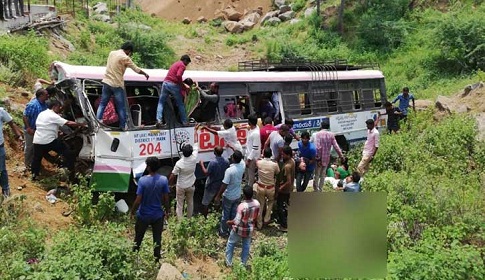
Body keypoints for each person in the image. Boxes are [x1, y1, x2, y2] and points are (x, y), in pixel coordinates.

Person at [97, 41, 149, 131]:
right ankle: (123, 125)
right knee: (121, 106)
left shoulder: (112, 53)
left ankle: (98, 121)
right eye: (130, 52)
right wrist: (145, 74)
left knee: (102, 103)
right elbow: (136, 69)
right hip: (116, 84)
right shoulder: (125, 58)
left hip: (106, 81)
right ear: (128, 50)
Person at [31, 100, 86, 181]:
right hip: (49, 141)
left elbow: (46, 125)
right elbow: (68, 123)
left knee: (37, 158)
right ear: (54, 106)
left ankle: (34, 175)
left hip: (37, 140)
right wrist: (82, 124)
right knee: (69, 154)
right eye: (59, 107)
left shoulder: (42, 113)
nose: (60, 108)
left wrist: (57, 131)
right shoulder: (53, 115)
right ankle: (71, 177)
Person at [131, 157, 170, 263]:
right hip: (158, 215)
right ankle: (156, 260)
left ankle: (134, 257)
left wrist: (132, 211)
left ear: (148, 167)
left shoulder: (143, 180)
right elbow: (166, 198)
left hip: (143, 214)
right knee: (157, 238)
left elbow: (138, 200)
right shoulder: (163, 180)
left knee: (138, 237)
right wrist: (167, 211)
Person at [225, 185, 260, 267]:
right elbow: (257, 217)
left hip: (239, 229)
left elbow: (236, 222)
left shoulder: (242, 206)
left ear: (244, 195)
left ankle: (228, 262)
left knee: (231, 243)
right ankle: (243, 264)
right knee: (246, 246)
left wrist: (229, 222)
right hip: (249, 229)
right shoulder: (257, 203)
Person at [215, 150, 245, 237]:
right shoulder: (242, 166)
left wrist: (218, 196)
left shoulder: (229, 171)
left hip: (228, 196)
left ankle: (223, 232)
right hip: (237, 195)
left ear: (234, 159)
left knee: (225, 215)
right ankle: (232, 230)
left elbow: (224, 184)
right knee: (234, 214)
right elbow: (242, 158)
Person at [156, 55, 191, 127]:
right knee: (180, 104)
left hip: (165, 83)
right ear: (185, 60)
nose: (186, 65)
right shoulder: (182, 65)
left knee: (161, 102)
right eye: (187, 62)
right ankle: (184, 121)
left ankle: (159, 120)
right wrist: (183, 86)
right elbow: (178, 75)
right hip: (173, 85)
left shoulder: (175, 64)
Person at [312, 120, 345, 192]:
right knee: (323, 174)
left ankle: (316, 189)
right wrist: (341, 156)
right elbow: (336, 147)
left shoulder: (318, 134)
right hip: (326, 158)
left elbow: (318, 147)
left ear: (321, 126)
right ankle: (320, 188)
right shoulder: (331, 135)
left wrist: (318, 158)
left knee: (317, 174)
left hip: (319, 158)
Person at [169, 142, 199, 220]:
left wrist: (170, 185)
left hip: (181, 186)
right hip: (191, 185)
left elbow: (173, 175)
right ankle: (189, 219)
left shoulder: (179, 163)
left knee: (180, 204)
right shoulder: (194, 158)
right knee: (190, 203)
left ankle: (180, 222)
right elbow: (196, 146)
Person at [199, 146, 229, 218]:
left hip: (211, 185)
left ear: (214, 152)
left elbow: (206, 173)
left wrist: (202, 164)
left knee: (206, 202)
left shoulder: (212, 163)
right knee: (217, 200)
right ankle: (216, 215)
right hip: (221, 185)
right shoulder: (226, 161)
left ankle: (205, 217)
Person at [23, 88, 49, 170]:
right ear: (41, 95)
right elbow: (25, 116)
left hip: (39, 131)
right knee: (29, 147)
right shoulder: (33, 104)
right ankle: (27, 164)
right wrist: (28, 128)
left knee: (36, 148)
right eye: (46, 94)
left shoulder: (45, 104)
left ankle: (34, 164)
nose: (48, 96)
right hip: (31, 130)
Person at [254, 147, 279, 229]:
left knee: (260, 205)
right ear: (271, 154)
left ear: (263, 154)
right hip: (270, 188)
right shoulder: (274, 165)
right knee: (270, 202)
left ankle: (259, 223)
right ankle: (267, 218)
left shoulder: (259, 163)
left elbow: (256, 161)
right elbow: (277, 172)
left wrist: (260, 157)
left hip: (260, 187)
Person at [0, 105, 23, 197]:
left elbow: (11, 123)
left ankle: (6, 190)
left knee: (2, 169)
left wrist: (19, 135)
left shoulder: (1, 111)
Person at [276, 146, 295, 232]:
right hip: (289, 189)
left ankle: (284, 225)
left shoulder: (287, 166)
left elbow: (288, 181)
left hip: (285, 190)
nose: (282, 156)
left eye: (283, 154)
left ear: (288, 155)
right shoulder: (292, 161)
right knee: (287, 206)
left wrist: (280, 188)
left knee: (281, 206)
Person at [245, 114, 261, 187]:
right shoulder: (254, 128)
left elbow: (255, 148)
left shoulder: (256, 133)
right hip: (248, 155)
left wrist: (248, 160)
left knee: (251, 176)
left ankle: (249, 190)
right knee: (247, 174)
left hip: (252, 158)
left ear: (250, 122)